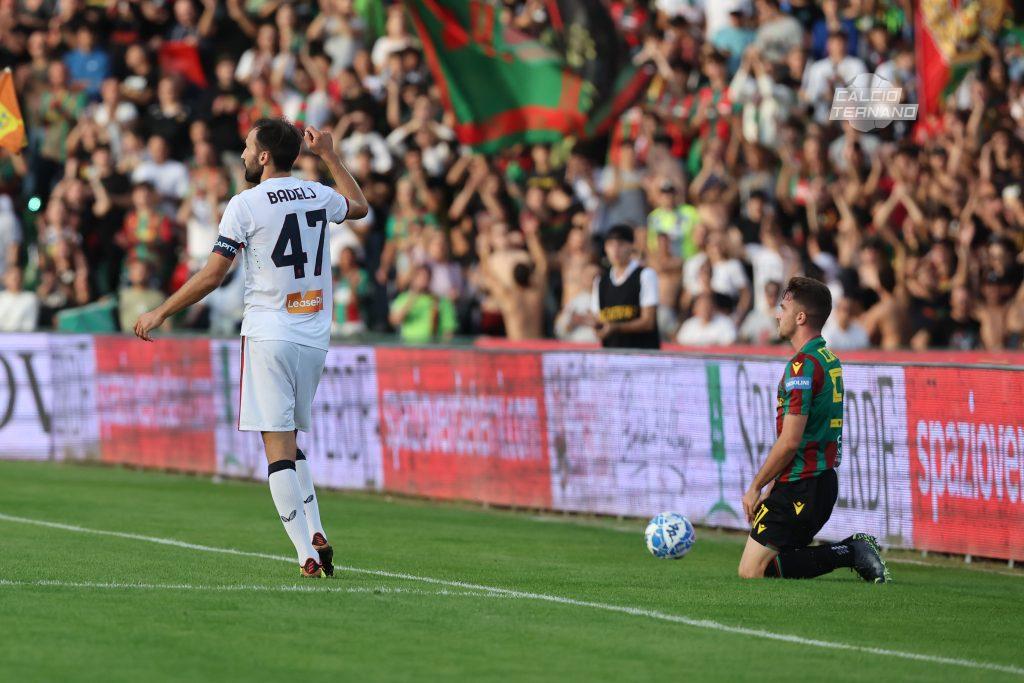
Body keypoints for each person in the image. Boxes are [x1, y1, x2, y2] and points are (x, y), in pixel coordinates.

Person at [134, 118, 370, 579]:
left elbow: (212, 275)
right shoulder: (318, 194)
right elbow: (359, 206)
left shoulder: (244, 204)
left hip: (268, 333)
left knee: (276, 448)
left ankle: (305, 554)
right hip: (315, 335)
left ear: (263, 157)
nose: (242, 154)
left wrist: (160, 311)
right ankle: (316, 529)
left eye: (247, 147)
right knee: (290, 441)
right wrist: (329, 155)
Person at [737, 276, 889, 583]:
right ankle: (851, 550)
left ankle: (851, 551)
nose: (778, 314)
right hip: (815, 482)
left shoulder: (802, 366)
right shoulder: (827, 358)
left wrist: (756, 486)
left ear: (801, 317)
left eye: (783, 307)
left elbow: (791, 440)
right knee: (771, 564)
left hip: (803, 485)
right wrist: (773, 487)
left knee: (752, 571)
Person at [592, 224, 659, 349]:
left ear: (631, 246)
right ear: (605, 248)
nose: (616, 250)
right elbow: (599, 319)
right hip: (611, 355)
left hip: (642, 355)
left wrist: (616, 327)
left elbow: (648, 322)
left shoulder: (645, 275)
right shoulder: (600, 281)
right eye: (611, 245)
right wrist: (589, 323)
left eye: (621, 244)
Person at [0, 267, 39, 332]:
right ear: (5, 279)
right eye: (13, 278)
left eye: (18, 277)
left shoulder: (30, 298)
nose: (16, 280)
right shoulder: (1, 297)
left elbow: (30, 325)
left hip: (22, 338)